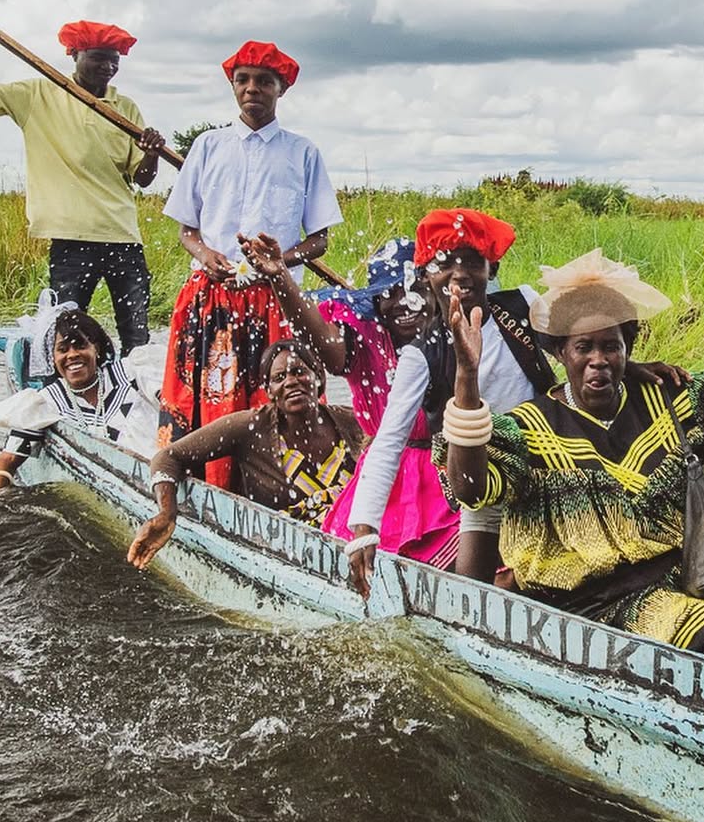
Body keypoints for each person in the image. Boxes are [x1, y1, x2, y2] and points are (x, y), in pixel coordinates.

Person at [441, 250, 704, 651]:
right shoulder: (529, 429)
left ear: (630, 349)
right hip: (593, 612)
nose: (598, 361)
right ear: (560, 353)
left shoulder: (670, 401)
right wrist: (467, 380)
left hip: (691, 580)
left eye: (611, 346)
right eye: (583, 348)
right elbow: (470, 488)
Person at [0, 0, 165, 354]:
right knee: (68, 335)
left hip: (123, 237)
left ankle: (139, 398)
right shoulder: (39, 94)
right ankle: (68, 399)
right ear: (74, 55)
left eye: (113, 61)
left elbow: (142, 178)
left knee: (137, 334)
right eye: (98, 59)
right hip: (70, 239)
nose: (107, 68)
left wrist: (152, 154)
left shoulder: (125, 107)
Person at [157, 40, 343, 486]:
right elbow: (187, 230)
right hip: (212, 297)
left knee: (275, 396)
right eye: (243, 80)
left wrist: (280, 262)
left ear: (282, 89)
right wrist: (206, 254)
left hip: (275, 300)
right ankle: (197, 479)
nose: (252, 89)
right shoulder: (208, 146)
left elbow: (320, 239)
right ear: (233, 86)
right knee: (209, 394)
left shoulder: (303, 153)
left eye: (264, 82)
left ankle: (274, 489)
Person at [342, 208, 554, 594]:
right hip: (477, 482)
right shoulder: (421, 355)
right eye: (444, 262)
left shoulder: (522, 308)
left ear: (493, 267)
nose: (459, 273)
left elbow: (581, 346)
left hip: (544, 467)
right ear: (424, 274)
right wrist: (365, 526)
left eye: (473, 261)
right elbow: (389, 440)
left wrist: (633, 368)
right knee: (472, 594)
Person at [240, 232, 460, 568]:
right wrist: (280, 276)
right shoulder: (364, 340)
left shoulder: (455, 332)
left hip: (449, 470)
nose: (403, 303)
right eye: (389, 295)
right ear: (375, 305)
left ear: (432, 291)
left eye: (414, 290)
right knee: (373, 569)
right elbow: (323, 346)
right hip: (387, 478)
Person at [127, 339, 363, 569]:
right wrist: (167, 513)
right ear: (269, 392)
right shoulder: (250, 428)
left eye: (299, 372)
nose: (291, 382)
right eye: (279, 378)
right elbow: (168, 457)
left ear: (318, 378)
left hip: (356, 545)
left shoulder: (352, 422)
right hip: (287, 557)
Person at [0, 305, 161, 490]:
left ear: (96, 349)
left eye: (80, 346)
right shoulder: (49, 401)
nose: (72, 355)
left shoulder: (131, 373)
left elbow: (175, 403)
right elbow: (8, 460)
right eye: (62, 349)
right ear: (52, 358)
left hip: (166, 470)